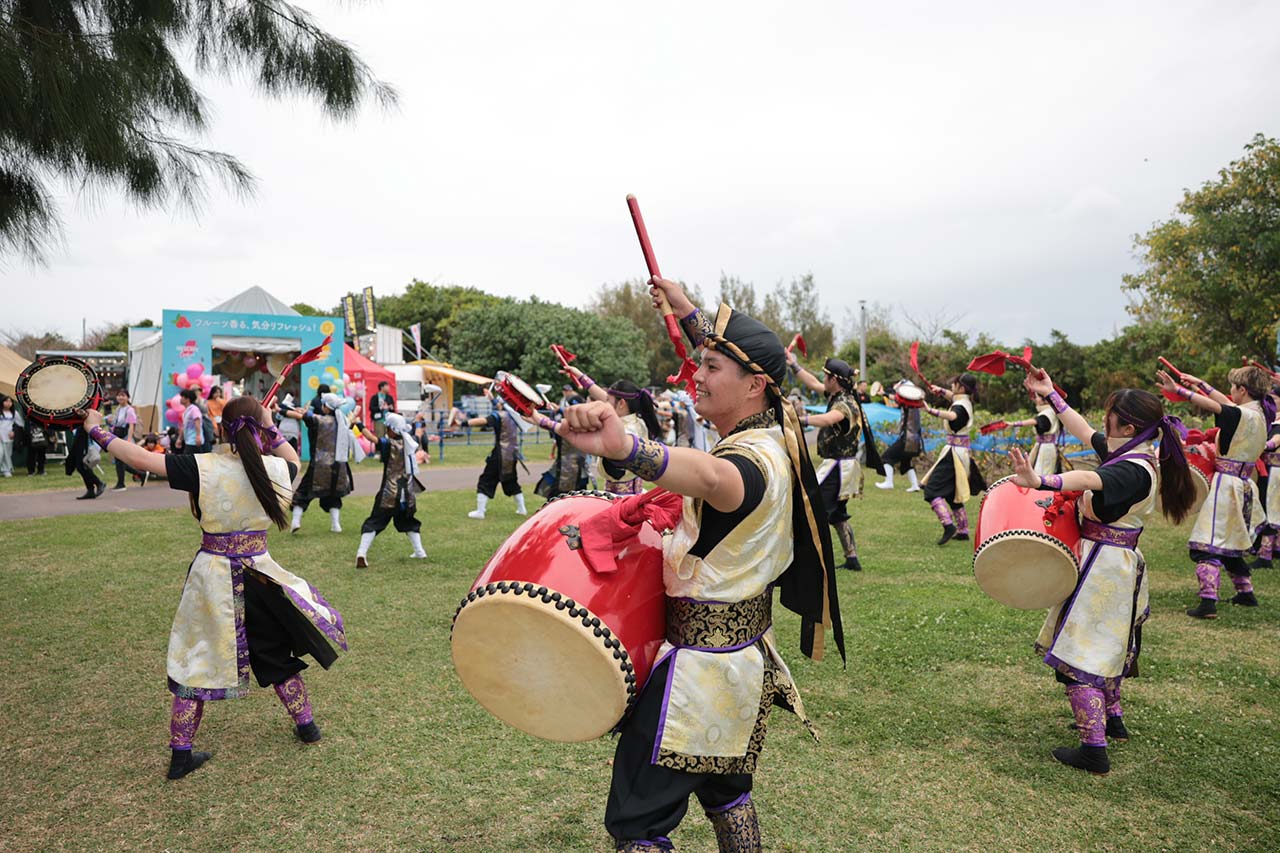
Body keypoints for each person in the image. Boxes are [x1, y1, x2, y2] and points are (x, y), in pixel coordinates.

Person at [537, 276, 844, 852]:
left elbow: (710, 477)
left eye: (710, 368)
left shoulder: (750, 461)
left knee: (637, 821)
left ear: (754, 385)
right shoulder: (773, 433)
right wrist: (686, 309)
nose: (694, 376)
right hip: (741, 662)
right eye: (699, 362)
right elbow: (735, 360)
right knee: (726, 791)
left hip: (699, 676)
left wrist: (627, 449)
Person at [81, 395, 347, 779]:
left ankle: (181, 754)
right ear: (262, 430)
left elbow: (139, 459)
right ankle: (307, 727)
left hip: (213, 579)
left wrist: (95, 429)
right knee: (274, 651)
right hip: (260, 577)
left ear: (222, 428)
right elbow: (292, 458)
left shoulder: (202, 466)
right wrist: (269, 427)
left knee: (196, 659)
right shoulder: (277, 468)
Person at [1010, 372, 1194, 775]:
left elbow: (1090, 478)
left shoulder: (1133, 469)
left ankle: (1093, 750)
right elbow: (1083, 429)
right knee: (1103, 647)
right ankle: (1114, 721)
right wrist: (1052, 395)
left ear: (1127, 427)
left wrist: (1041, 480)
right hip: (1111, 563)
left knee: (1082, 652)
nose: (1102, 423)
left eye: (1110, 417)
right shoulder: (1132, 451)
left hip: (1106, 570)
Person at [1157, 365, 1273, 618]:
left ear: (1242, 390)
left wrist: (1178, 390)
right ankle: (1245, 592)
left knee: (1207, 545)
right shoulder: (1260, 413)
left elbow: (1216, 405)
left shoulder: (1240, 414)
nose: (1230, 391)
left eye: (1233, 387)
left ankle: (1208, 602)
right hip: (1243, 484)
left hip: (1227, 487)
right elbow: (1223, 402)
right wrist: (1198, 383)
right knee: (1229, 542)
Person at [789, 353, 882, 571]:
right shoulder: (838, 395)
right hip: (839, 466)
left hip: (839, 467)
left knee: (813, 510)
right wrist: (794, 364)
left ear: (834, 380)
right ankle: (852, 558)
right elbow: (812, 383)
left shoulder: (845, 404)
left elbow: (828, 419)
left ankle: (812, 561)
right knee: (837, 515)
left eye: (826, 376)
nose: (823, 380)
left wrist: (798, 419)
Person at [564, 367, 664, 496]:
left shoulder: (625, 430)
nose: (604, 404)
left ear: (621, 403)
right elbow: (601, 394)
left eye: (607, 401)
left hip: (623, 498)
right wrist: (579, 375)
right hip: (633, 493)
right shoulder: (638, 422)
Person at [354, 413, 429, 567]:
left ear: (393, 430)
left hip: (389, 493)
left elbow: (371, 438)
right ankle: (420, 551)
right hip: (407, 494)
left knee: (374, 522)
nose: (386, 430)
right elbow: (417, 433)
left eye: (388, 428)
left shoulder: (389, 444)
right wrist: (416, 422)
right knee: (409, 522)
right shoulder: (411, 441)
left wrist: (359, 423)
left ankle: (361, 552)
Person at [921, 374, 987, 545]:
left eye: (954, 384)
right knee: (951, 493)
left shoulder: (960, 407)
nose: (951, 386)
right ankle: (963, 530)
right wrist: (940, 390)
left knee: (932, 491)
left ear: (961, 388)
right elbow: (953, 398)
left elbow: (953, 416)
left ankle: (948, 525)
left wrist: (930, 411)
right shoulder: (965, 401)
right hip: (958, 451)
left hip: (954, 454)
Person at [284, 393, 360, 533]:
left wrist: (281, 410)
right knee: (333, 496)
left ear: (326, 407)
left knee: (302, 493)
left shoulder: (317, 420)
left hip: (318, 465)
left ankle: (295, 521)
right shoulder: (343, 421)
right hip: (338, 467)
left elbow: (301, 416)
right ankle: (336, 525)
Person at [465, 391, 527, 519]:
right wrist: (491, 398)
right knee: (511, 481)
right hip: (512, 454)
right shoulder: (514, 415)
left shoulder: (500, 415)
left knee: (486, 480)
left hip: (499, 454)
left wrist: (463, 423)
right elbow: (500, 407)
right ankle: (522, 509)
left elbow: (484, 421)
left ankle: (480, 512)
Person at [999, 390, 1063, 476]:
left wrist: (1014, 424)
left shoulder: (1047, 413)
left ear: (1044, 399)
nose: (1035, 399)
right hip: (1046, 446)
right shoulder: (1051, 411)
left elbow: (1036, 421)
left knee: (1042, 474)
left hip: (1046, 448)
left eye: (1037, 397)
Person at [876, 380, 924, 492]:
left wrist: (884, 393)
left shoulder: (908, 402)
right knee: (906, 461)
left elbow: (896, 398)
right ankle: (915, 485)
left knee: (887, 457)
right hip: (916, 439)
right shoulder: (916, 404)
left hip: (907, 438)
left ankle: (889, 482)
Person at [1251, 399, 1280, 569]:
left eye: (1273, 399)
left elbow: (1276, 441)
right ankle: (1275, 549)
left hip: (1276, 473)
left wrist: (1259, 446)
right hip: (1269, 471)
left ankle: (1265, 556)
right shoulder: (1271, 420)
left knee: (1271, 511)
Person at [109, 389, 142, 491]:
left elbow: (131, 426)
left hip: (124, 437)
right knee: (119, 460)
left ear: (128, 397)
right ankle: (141, 474)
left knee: (119, 460)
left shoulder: (129, 410)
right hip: (117, 435)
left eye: (123, 395)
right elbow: (115, 423)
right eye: (119, 395)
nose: (120, 397)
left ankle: (121, 484)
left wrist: (128, 439)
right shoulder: (118, 409)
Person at [180, 388, 204, 454]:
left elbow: (197, 421)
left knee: (187, 458)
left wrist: (198, 436)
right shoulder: (187, 410)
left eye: (182, 397)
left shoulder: (194, 409)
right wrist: (180, 438)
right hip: (189, 440)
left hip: (194, 440)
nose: (180, 399)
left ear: (188, 399)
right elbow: (184, 426)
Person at [0, 394, 16, 477]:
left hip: (9, 438)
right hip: (0, 438)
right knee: (1, 453)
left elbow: (20, 424)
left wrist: (14, 432)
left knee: (7, 454)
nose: (8, 403)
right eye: (6, 401)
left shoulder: (14, 413)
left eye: (10, 401)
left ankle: (6, 470)